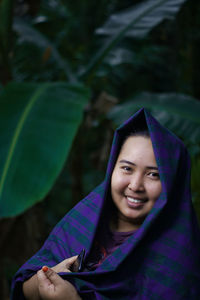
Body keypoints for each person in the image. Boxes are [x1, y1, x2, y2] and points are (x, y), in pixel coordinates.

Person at [11, 108, 200, 300]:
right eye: (127, 168)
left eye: (153, 174)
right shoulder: (83, 219)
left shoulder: (177, 263)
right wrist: (48, 275)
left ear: (172, 183)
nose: (135, 185)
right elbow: (24, 289)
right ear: (112, 169)